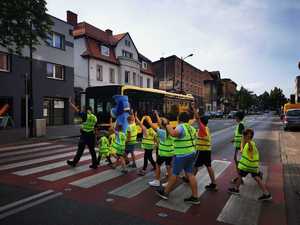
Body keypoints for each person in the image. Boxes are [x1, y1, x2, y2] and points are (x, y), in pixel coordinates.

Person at [156, 112, 200, 204]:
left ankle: (165, 192)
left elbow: (173, 133)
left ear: (179, 119)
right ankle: (195, 197)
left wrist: (167, 124)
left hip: (182, 154)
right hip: (191, 153)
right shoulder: (191, 128)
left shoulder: (181, 127)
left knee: (174, 174)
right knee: (190, 174)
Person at [228, 128, 272, 201]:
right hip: (251, 166)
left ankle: (236, 189)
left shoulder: (250, 144)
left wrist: (247, 141)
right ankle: (267, 194)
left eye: (245, 135)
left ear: (249, 136)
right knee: (256, 178)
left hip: (247, 166)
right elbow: (243, 150)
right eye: (244, 135)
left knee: (240, 175)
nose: (244, 136)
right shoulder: (249, 143)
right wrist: (243, 139)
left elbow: (250, 148)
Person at [193, 105, 217, 191]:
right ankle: (213, 183)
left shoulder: (203, 129)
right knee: (208, 166)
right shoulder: (206, 129)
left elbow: (197, 119)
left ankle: (190, 179)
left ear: (201, 123)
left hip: (201, 151)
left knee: (195, 165)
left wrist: (194, 109)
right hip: (207, 150)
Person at [148, 110, 174, 187]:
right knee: (168, 167)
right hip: (170, 152)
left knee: (158, 165)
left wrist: (149, 120)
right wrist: (157, 115)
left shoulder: (162, 132)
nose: (158, 122)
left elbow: (153, 126)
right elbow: (161, 123)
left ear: (161, 124)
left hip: (163, 152)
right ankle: (169, 182)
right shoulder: (170, 130)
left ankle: (157, 181)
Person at [231, 111, 245, 183]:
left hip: (239, 146)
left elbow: (243, 136)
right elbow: (240, 135)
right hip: (238, 146)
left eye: (235, 117)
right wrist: (234, 139)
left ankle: (240, 178)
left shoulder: (240, 125)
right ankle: (240, 177)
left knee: (238, 162)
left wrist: (242, 146)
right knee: (238, 161)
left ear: (238, 117)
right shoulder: (240, 124)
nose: (235, 118)